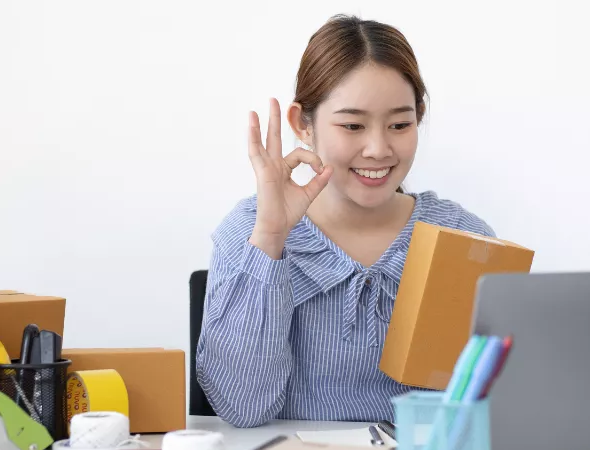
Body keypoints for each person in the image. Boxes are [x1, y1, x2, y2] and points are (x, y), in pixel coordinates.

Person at [195, 14, 496, 428]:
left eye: (401, 124)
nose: (378, 148)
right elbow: (242, 409)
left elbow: (484, 408)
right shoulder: (248, 229)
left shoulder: (464, 238)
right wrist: (270, 237)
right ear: (303, 124)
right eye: (352, 125)